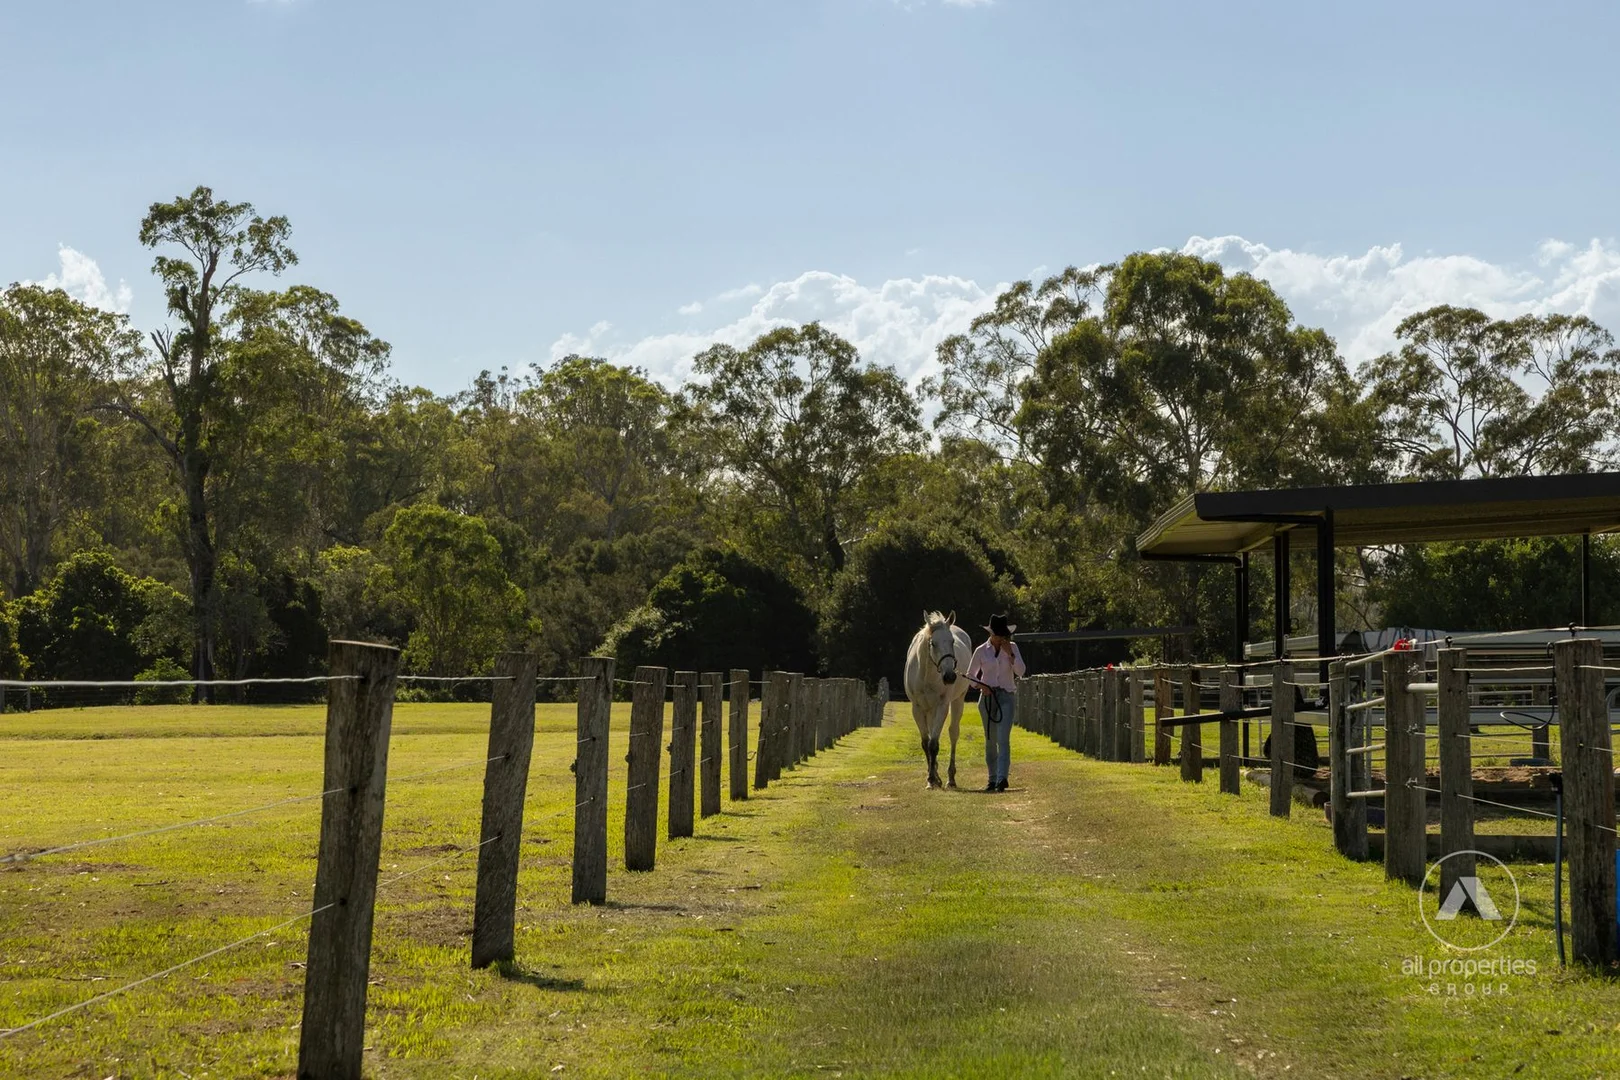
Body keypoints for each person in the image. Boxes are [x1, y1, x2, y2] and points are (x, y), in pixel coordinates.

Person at [968, 614, 1025, 792]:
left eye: (1004, 636)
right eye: (999, 635)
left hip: (1006, 696)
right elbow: (970, 675)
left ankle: (1002, 778)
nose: (1001, 639)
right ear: (992, 634)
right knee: (990, 740)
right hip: (987, 697)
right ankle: (992, 778)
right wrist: (981, 686)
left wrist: (1011, 655)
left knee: (1003, 739)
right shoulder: (981, 651)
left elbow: (1021, 671)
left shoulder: (1012, 648)